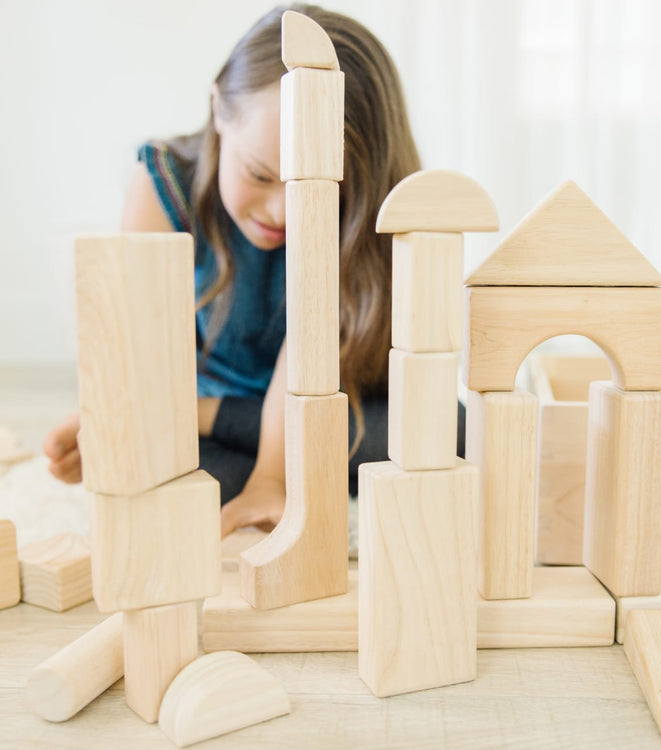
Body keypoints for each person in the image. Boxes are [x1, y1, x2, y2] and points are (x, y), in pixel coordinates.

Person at [44, 4, 466, 537]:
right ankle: (266, 456)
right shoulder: (162, 183)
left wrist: (270, 474)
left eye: (316, 192)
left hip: (332, 405)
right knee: (161, 463)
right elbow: (137, 348)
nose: (282, 213)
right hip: (212, 411)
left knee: (447, 429)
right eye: (260, 175)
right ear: (220, 110)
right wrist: (110, 416)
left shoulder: (365, 213)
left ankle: (217, 427)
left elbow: (309, 351)